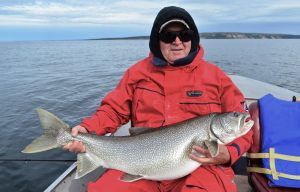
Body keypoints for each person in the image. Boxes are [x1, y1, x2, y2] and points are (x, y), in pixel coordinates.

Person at [64, 6, 253, 192]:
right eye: (168, 36)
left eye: (184, 34)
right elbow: (113, 110)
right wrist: (88, 128)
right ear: (157, 39)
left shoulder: (216, 77)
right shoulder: (137, 73)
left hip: (202, 167)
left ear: (192, 38)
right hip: (139, 162)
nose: (177, 41)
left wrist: (229, 153)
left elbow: (244, 127)